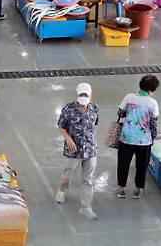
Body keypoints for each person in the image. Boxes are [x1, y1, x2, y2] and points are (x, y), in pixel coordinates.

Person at [55, 83, 99, 220]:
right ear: (77, 94)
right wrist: (68, 139)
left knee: (88, 180)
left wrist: (90, 139)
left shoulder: (95, 108)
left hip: (90, 151)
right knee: (68, 174)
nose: (83, 97)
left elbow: (96, 124)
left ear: (90, 95)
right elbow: (61, 125)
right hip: (73, 150)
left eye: (86, 94)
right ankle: (62, 191)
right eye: (81, 94)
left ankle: (86, 207)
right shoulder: (68, 109)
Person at [116, 75, 160, 199]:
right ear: (151, 90)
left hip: (126, 138)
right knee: (141, 166)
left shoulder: (129, 97)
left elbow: (120, 112)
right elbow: (153, 122)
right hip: (144, 141)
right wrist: (153, 138)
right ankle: (138, 189)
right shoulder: (153, 103)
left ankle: (121, 188)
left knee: (123, 164)